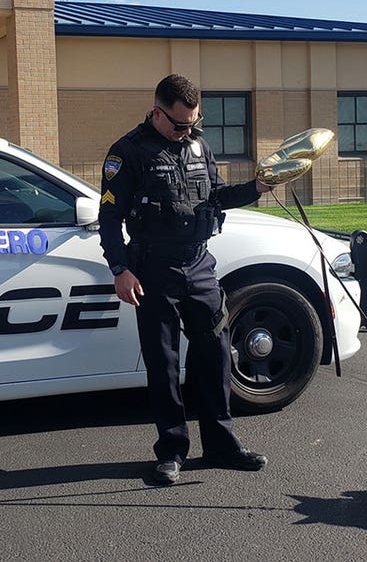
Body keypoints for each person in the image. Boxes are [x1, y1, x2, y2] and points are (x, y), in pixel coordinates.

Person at [98, 74, 275, 485]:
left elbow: (216, 195)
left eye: (194, 122)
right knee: (163, 364)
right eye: (179, 124)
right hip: (153, 271)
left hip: (199, 266)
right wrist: (120, 269)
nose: (188, 130)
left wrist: (257, 188)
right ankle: (172, 450)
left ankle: (221, 445)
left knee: (215, 357)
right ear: (157, 113)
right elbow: (109, 218)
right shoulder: (127, 153)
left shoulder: (198, 145)